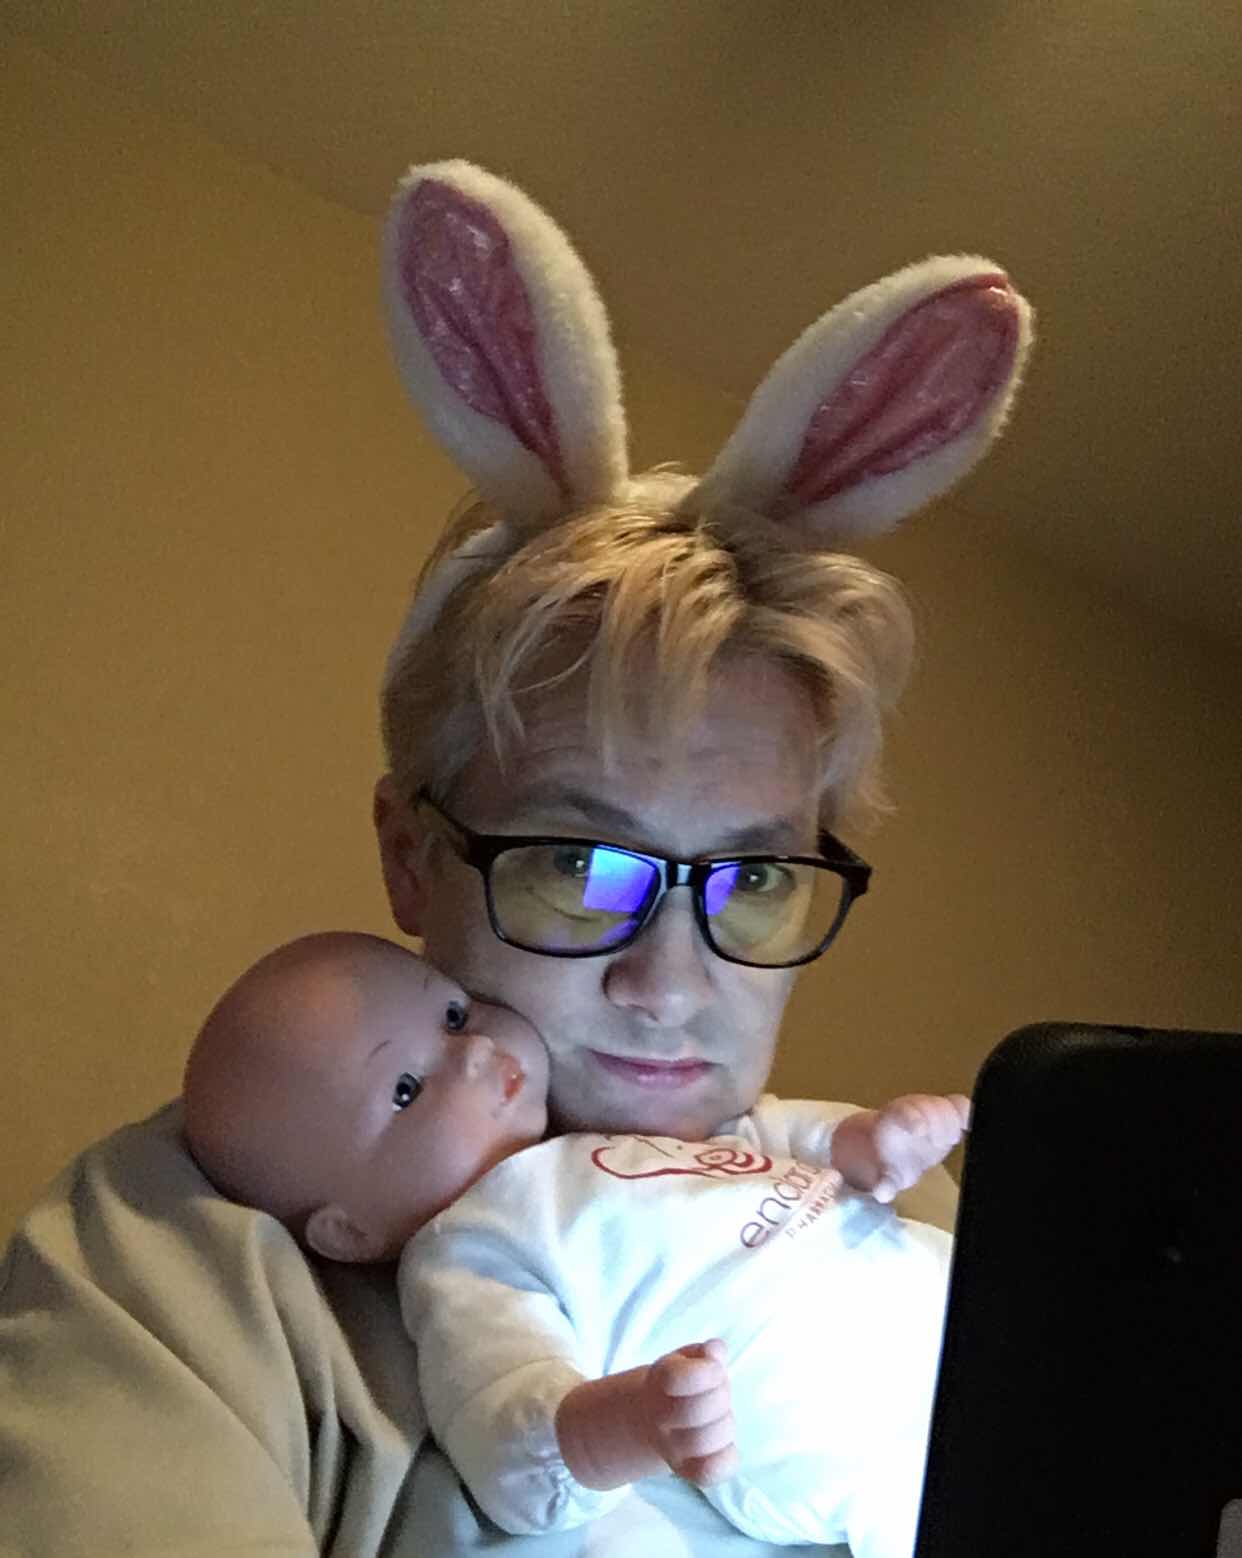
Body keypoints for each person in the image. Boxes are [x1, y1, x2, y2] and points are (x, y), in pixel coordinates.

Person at [0, 159, 1031, 1556]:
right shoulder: (187, 1257)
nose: (670, 984)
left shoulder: (915, 1212)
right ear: (411, 855)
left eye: (750, 880)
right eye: (580, 867)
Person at [183, 931, 968, 1556]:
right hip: (858, 1429)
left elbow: (768, 1138)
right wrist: (630, 1421)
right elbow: (508, 1440)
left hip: (944, 1293)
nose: (474, 1052)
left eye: (453, 1016)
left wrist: (872, 1140)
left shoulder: (616, 1133)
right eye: (406, 1090)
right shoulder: (470, 1250)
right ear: (349, 1230)